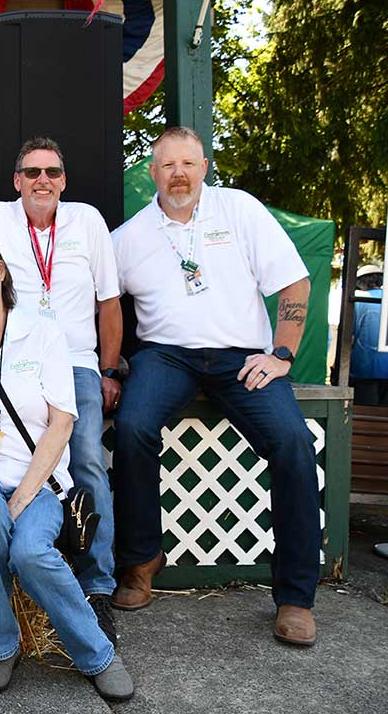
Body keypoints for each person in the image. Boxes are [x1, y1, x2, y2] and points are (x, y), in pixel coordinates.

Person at [111, 126, 320, 646]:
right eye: (167, 165)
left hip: (240, 355)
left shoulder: (239, 209)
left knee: (293, 442)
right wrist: (109, 364)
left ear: (205, 166)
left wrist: (282, 354)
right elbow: (102, 303)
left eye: (188, 163)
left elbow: (294, 281)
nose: (178, 174)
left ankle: (295, 596)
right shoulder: (128, 237)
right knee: (133, 427)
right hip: (166, 354)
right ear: (152, 173)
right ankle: (141, 560)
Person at [0, 235, 134, 701]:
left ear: (1, 270)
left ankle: (97, 653)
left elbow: (61, 424)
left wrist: (21, 499)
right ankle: (1, 645)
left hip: (37, 479)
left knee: (29, 553)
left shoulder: (43, 335)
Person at [0, 137, 122, 642]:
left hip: (75, 361)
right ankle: (15, 566)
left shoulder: (89, 222)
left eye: (52, 172)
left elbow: (109, 302)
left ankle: (97, 586)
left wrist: (107, 371)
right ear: (17, 180)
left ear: (64, 180)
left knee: (86, 462)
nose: (43, 181)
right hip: (10, 356)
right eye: (32, 172)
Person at [349, 264, 388, 406]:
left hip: (363, 367)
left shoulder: (357, 299)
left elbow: (349, 337)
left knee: (364, 411)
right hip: (386, 366)